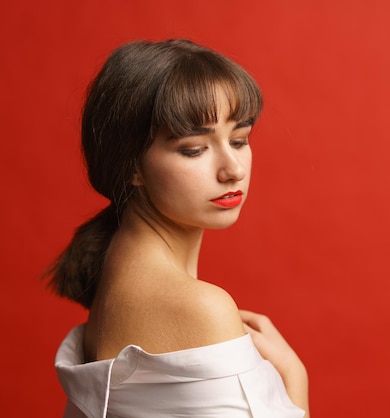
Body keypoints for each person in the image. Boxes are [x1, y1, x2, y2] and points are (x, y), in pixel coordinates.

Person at [47, 39, 309, 418]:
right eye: (193, 149)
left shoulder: (115, 272)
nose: (232, 169)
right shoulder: (199, 308)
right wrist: (295, 377)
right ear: (132, 166)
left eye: (239, 140)